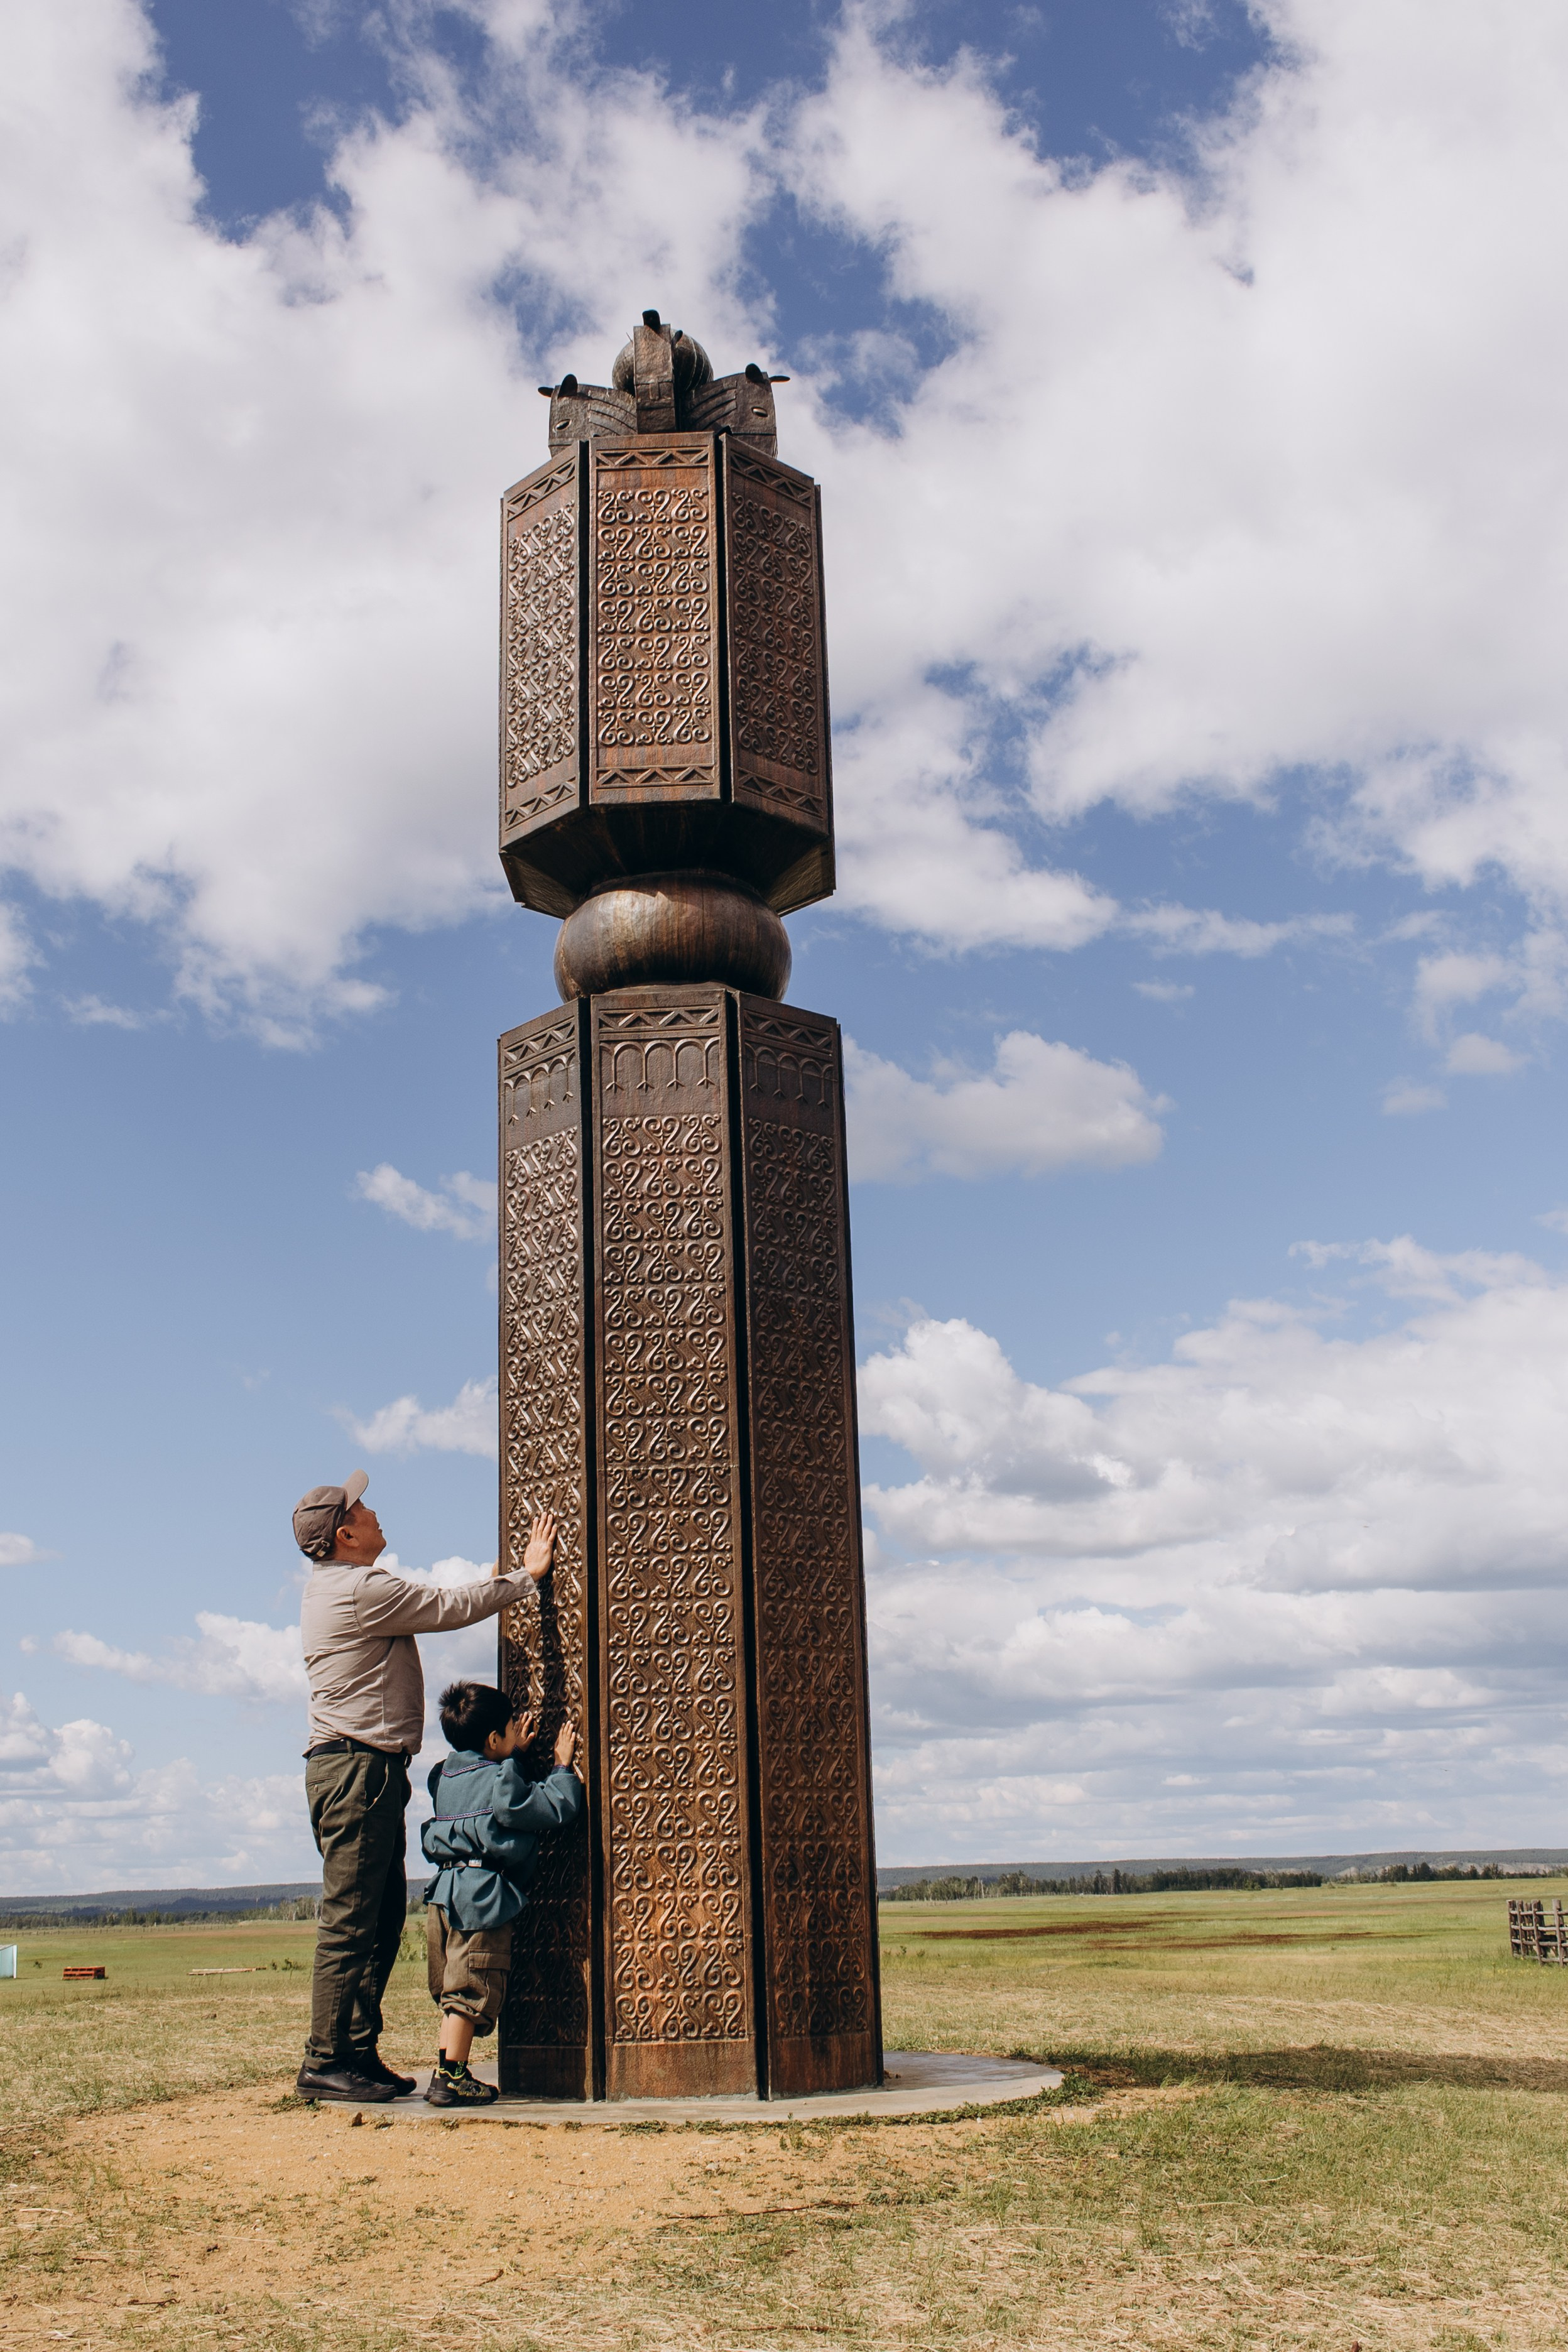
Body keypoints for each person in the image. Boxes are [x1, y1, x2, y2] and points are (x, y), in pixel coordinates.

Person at [291, 1468, 559, 2104]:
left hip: (364, 1768)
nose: (376, 1512)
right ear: (346, 1533)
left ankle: (355, 2051)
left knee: (381, 1919)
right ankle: (326, 2059)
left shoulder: (343, 1585)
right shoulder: (359, 1589)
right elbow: (444, 1608)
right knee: (351, 1923)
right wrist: (525, 1577)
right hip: (357, 1769)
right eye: (364, 1507)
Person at [421, 1678, 585, 2107]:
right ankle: (451, 2079)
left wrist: (510, 1756)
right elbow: (550, 1807)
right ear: (494, 1739)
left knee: (453, 1989)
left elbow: (482, 1786)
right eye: (513, 1728)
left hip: (444, 1895)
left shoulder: (443, 1776)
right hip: (480, 1898)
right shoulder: (501, 1781)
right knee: (470, 1988)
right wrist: (561, 1767)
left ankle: (449, 2070)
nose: (518, 1732)